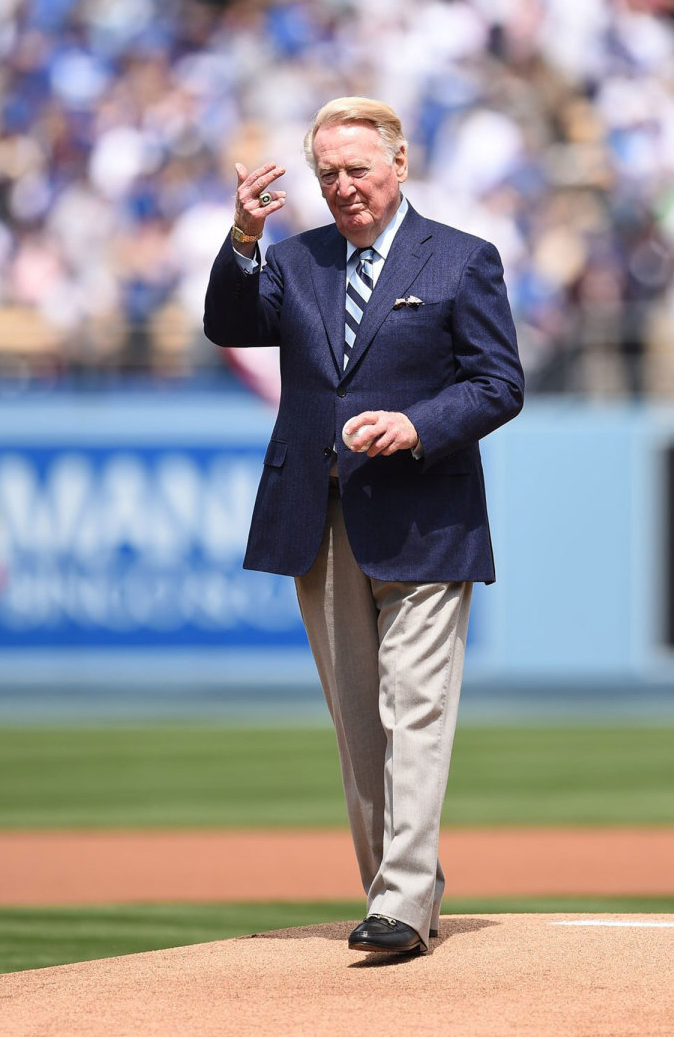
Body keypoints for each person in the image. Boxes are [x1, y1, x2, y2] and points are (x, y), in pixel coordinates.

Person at [204, 97, 524, 954]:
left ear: (400, 165)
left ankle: (403, 900)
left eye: (359, 169)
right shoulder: (297, 260)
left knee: (416, 708)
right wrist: (243, 239)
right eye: (329, 174)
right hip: (323, 516)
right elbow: (229, 325)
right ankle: (395, 896)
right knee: (360, 724)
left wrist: (418, 425)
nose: (345, 187)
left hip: (427, 515)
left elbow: (500, 383)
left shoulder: (462, 259)